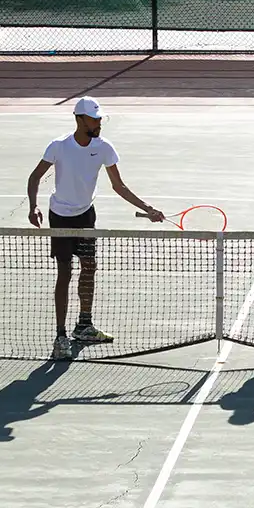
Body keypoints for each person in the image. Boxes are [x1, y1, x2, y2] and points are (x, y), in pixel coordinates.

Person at [27, 97, 165, 359]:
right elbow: (34, 176)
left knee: (89, 266)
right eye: (94, 118)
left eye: (100, 118)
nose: (99, 122)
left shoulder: (104, 148)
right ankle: (60, 335)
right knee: (65, 272)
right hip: (60, 216)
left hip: (85, 215)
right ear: (80, 119)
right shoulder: (58, 146)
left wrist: (148, 208)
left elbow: (119, 186)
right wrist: (33, 206)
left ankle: (84, 325)